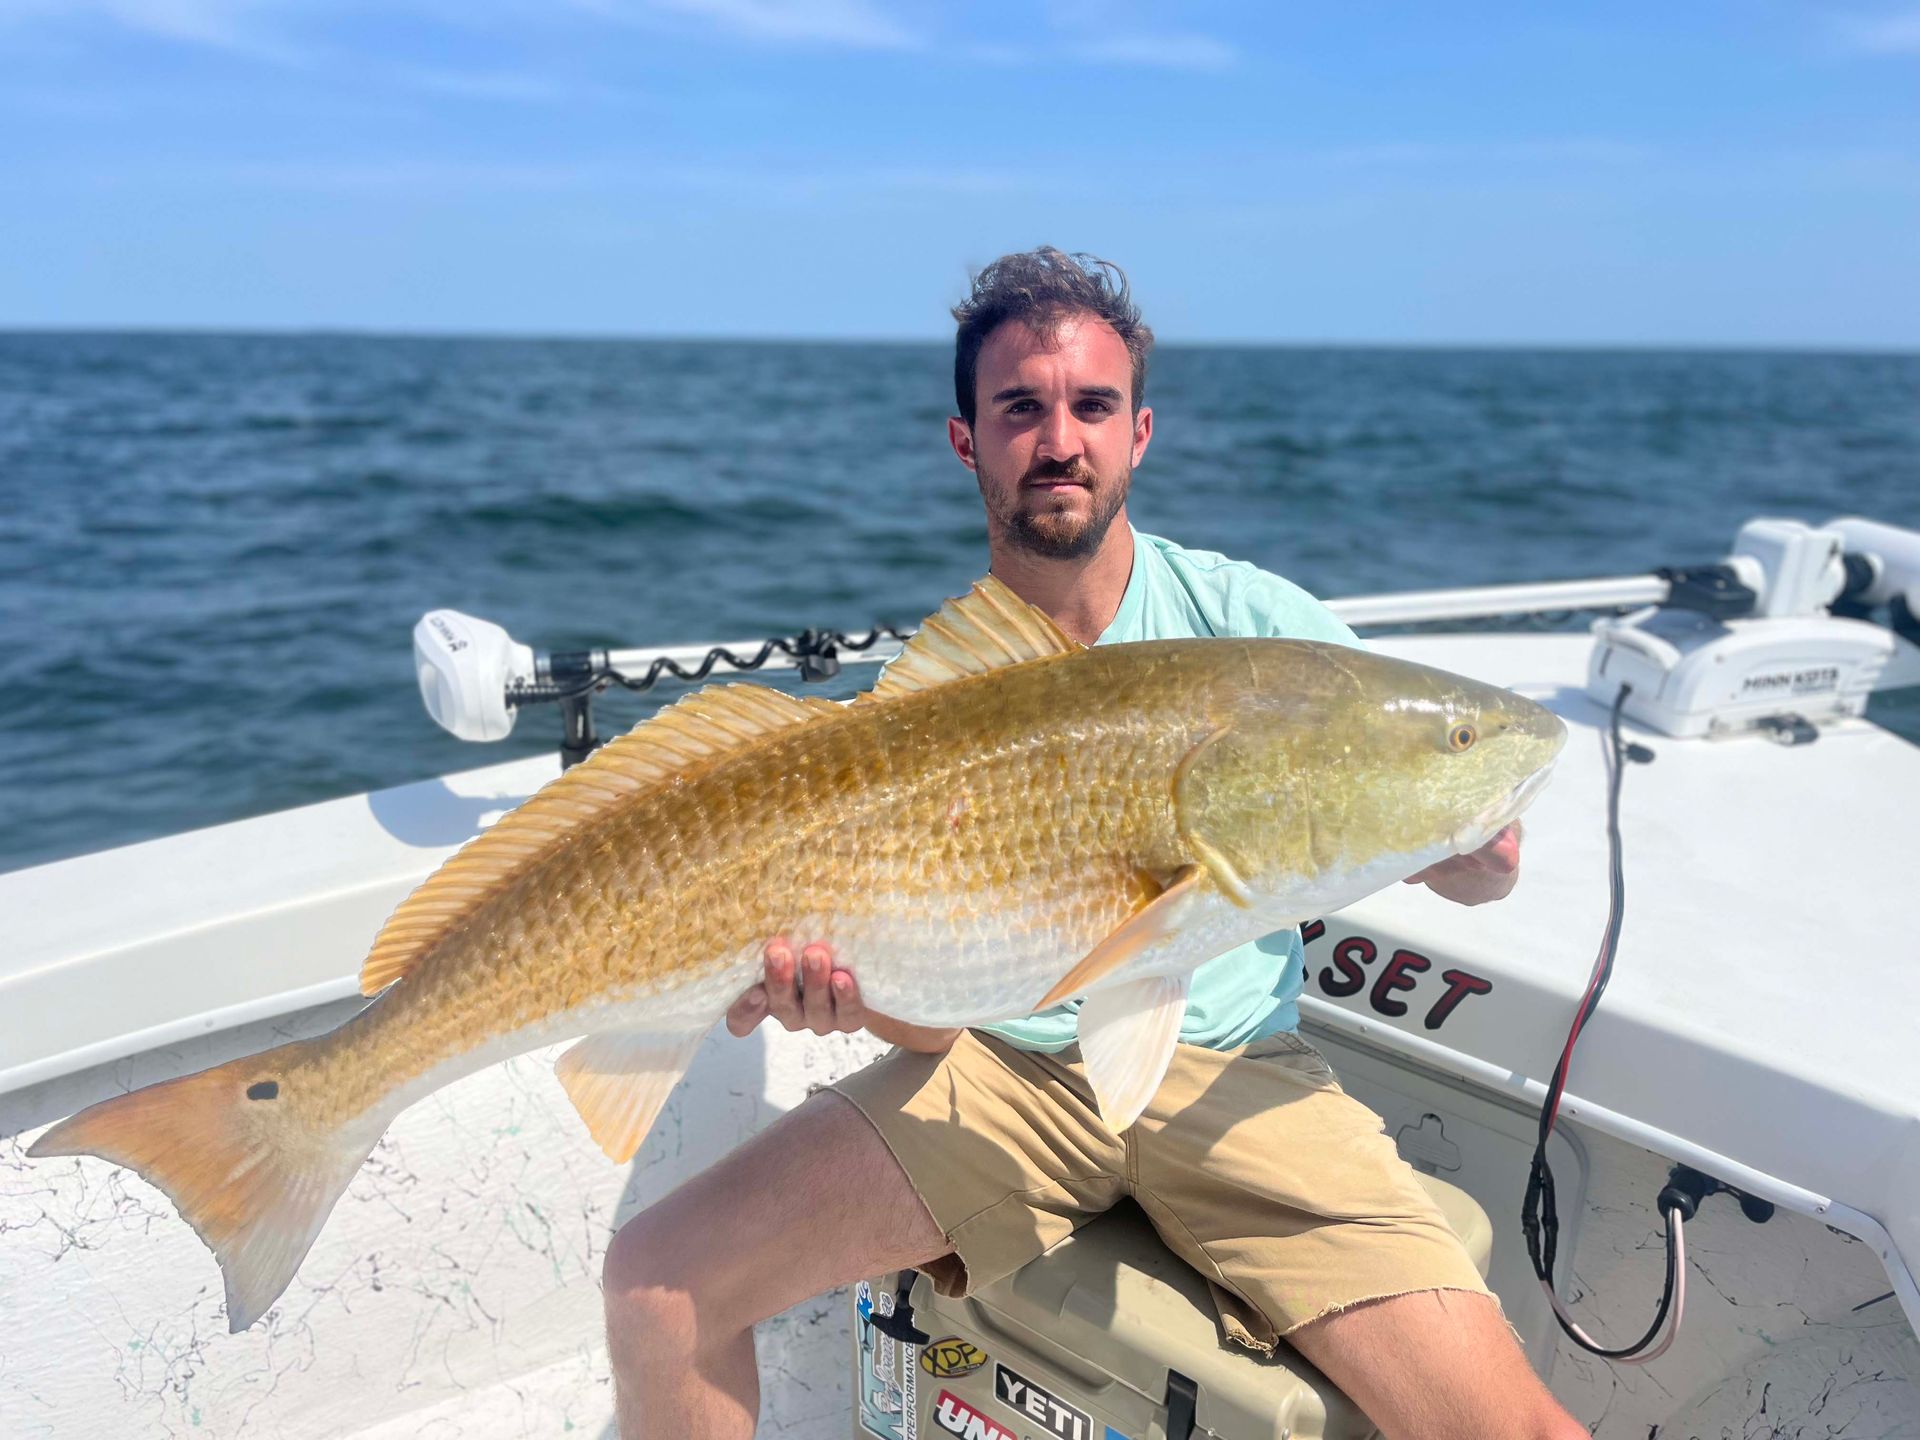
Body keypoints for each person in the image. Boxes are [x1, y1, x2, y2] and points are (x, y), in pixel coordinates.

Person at [602, 248, 1582, 1440]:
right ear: (967, 441)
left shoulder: (1259, 633)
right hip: (1000, 1076)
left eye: (1092, 407)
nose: (1059, 439)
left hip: (1237, 1077)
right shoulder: (936, 710)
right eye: (1020, 408)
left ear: (1140, 434)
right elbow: (946, 1012)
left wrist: (1471, 846)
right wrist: (849, 1001)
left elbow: (1422, 810)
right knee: (658, 1288)